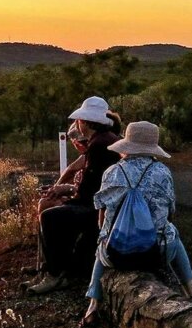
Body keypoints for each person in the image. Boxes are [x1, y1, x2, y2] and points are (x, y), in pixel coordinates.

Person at [81, 121, 192, 328]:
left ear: (126, 146)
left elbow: (102, 219)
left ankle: (93, 305)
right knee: (172, 232)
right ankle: (191, 291)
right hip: (157, 252)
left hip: (116, 255)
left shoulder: (112, 172)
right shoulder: (163, 172)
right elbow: (170, 214)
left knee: (103, 239)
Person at [26, 97, 121, 294]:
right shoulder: (108, 139)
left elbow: (89, 191)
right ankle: (52, 269)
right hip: (109, 205)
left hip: (100, 209)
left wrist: (66, 193)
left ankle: (56, 275)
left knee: (50, 216)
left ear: (84, 122)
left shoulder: (98, 145)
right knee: (58, 211)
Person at [38, 123, 90, 213]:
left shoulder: (91, 155)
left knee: (46, 204)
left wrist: (60, 189)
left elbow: (71, 170)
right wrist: (56, 190)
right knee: (48, 202)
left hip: (89, 204)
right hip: (84, 199)